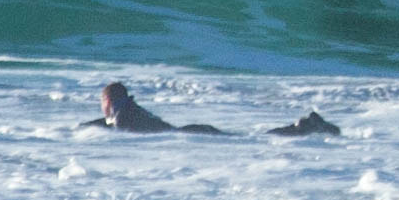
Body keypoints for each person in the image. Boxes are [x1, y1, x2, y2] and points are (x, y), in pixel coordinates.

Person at [78, 82, 341, 136]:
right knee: (253, 139)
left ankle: (304, 126)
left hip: (191, 135)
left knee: (256, 140)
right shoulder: (130, 111)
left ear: (109, 102)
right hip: (190, 133)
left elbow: (116, 127)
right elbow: (108, 124)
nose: (102, 110)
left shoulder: (123, 117)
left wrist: (90, 128)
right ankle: (305, 126)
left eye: (102, 104)